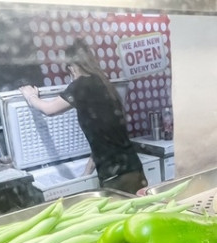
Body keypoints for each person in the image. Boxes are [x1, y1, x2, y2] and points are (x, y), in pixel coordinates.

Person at [20, 38, 147, 195]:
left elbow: (49, 110)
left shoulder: (80, 85)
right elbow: (103, 139)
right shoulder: (103, 84)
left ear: (71, 67)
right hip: (133, 169)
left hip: (116, 176)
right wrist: (86, 173)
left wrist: (31, 96)